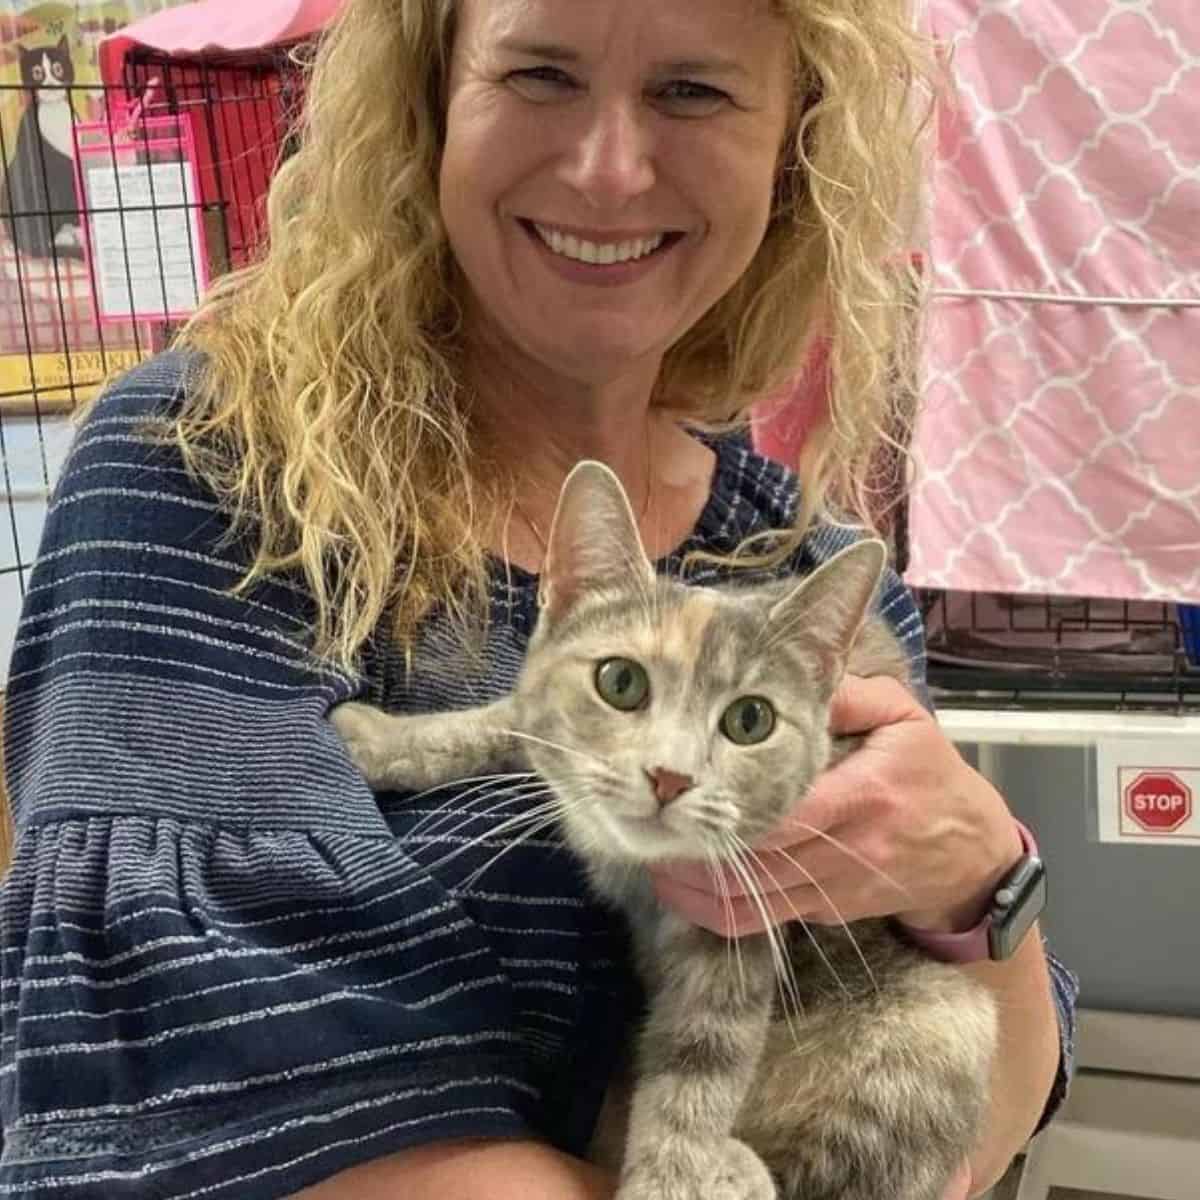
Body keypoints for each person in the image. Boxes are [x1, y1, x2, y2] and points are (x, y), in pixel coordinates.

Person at [0, 1, 1077, 1197]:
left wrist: (983, 878)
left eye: (693, 92)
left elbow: (977, 1118)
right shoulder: (213, 467)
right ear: (431, 105)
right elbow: (205, 1093)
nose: (609, 170)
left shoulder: (793, 558)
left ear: (794, 147)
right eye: (542, 73)